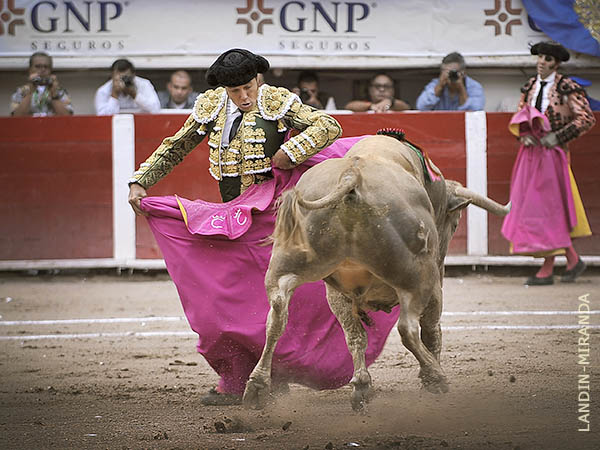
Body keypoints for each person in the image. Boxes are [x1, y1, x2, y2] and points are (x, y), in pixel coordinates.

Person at [127, 49, 401, 407]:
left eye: (247, 87)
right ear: (223, 88)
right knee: (221, 300)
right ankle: (240, 374)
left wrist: (293, 152)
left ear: (257, 79)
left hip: (277, 214)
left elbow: (328, 126)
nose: (244, 96)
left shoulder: (276, 100)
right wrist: (140, 180)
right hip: (234, 216)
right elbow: (176, 146)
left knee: (295, 296)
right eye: (235, 90)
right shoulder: (211, 105)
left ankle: (273, 371)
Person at [501, 41, 596, 286]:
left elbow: (586, 118)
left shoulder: (566, 86)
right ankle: (571, 260)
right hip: (531, 153)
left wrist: (559, 136)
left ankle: (550, 266)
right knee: (535, 208)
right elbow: (520, 115)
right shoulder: (530, 86)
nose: (542, 62)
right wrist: (524, 135)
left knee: (548, 210)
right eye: (540, 57)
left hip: (553, 155)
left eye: (548, 59)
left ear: (557, 63)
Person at [416, 52, 485, 111]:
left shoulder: (474, 86)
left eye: (453, 72)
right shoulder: (435, 84)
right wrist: (440, 86)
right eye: (447, 72)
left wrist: (461, 88)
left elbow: (475, 111)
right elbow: (421, 106)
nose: (450, 76)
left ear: (463, 73)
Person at [10, 52, 73, 117]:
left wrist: (54, 95)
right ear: (30, 69)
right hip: (28, 126)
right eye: (37, 67)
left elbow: (68, 118)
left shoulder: (60, 91)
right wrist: (30, 93)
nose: (42, 70)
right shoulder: (21, 91)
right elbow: (16, 118)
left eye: (46, 67)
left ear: (51, 70)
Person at [94, 59, 161, 115]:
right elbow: (103, 118)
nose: (123, 82)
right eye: (119, 78)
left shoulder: (144, 84)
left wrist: (134, 95)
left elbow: (155, 109)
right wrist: (114, 95)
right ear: (112, 76)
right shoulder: (103, 91)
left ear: (133, 75)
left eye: (126, 78)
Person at [344, 73, 410, 112]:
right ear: (370, 89)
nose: (382, 89)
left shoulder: (396, 105)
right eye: (377, 86)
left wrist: (390, 102)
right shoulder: (365, 103)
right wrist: (371, 106)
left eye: (386, 86)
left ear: (393, 90)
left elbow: (406, 107)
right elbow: (349, 106)